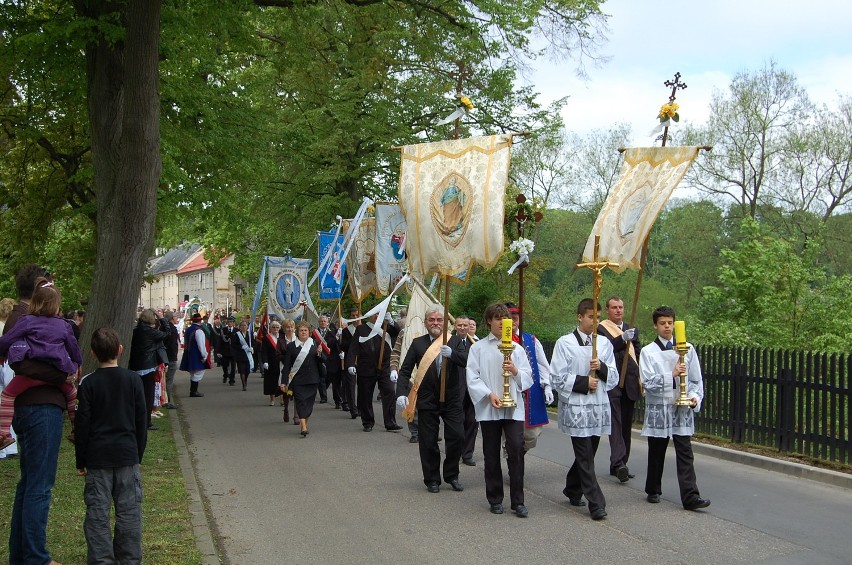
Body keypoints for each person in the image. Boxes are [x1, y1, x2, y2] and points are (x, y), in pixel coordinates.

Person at [6, 264, 68, 565]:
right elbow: (21, 365)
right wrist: (60, 376)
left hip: (38, 405)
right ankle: (35, 558)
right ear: (40, 286)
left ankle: (23, 554)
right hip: (39, 407)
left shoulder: (30, 318)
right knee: (40, 486)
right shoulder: (23, 319)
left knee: (30, 483)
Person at [75, 326, 147, 565]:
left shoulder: (88, 384)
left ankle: (101, 560)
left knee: (97, 512)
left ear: (93, 354)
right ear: (120, 349)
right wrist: (138, 452)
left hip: (98, 455)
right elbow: (140, 420)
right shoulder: (133, 380)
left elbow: (82, 425)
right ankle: (129, 558)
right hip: (126, 453)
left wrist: (81, 459)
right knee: (129, 512)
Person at [550, 298, 617, 521]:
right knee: (585, 455)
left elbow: (615, 377)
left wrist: (603, 368)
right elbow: (557, 377)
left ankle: (572, 488)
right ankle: (596, 503)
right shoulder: (565, 343)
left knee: (590, 452)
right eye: (590, 317)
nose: (594, 321)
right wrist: (582, 382)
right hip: (577, 406)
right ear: (580, 317)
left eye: (597, 317)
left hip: (597, 407)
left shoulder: (604, 344)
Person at [640, 306, 710, 511]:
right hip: (660, 407)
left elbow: (696, 380)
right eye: (662, 323)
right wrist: (670, 374)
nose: (667, 327)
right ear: (655, 325)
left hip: (682, 408)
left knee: (685, 450)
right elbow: (647, 383)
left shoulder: (687, 348)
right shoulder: (648, 352)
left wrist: (695, 397)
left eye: (670, 323)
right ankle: (653, 488)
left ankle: (690, 496)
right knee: (657, 449)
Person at [466, 302, 533, 516]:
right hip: (490, 406)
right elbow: (472, 377)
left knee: (516, 450)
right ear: (489, 321)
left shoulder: (518, 349)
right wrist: (488, 393)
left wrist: (514, 370)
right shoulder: (478, 348)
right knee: (491, 453)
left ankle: (518, 501)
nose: (502, 324)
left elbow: (528, 379)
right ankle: (495, 497)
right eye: (497, 319)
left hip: (513, 408)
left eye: (506, 320)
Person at [0, 278, 82, 449]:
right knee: (72, 396)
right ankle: (76, 429)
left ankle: (4, 434)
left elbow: (7, 340)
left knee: (7, 396)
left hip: (31, 376)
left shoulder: (26, 321)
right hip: (59, 376)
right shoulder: (63, 326)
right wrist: (74, 367)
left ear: (34, 302)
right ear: (56, 305)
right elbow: (74, 350)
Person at [395, 303, 467, 493]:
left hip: (451, 399)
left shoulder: (455, 341)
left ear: (445, 323)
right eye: (432, 320)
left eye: (439, 320)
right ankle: (432, 479)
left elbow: (467, 360)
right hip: (427, 399)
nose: (435, 323)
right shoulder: (418, 343)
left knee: (457, 437)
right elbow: (405, 371)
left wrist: (453, 355)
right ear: (426, 323)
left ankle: (452, 475)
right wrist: (402, 393)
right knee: (428, 441)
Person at [598, 295, 642, 482]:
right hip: (612, 382)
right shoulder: (602, 329)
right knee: (615, 423)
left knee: (625, 426)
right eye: (614, 307)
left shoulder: (632, 329)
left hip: (630, 383)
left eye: (621, 307)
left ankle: (621, 463)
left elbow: (637, 353)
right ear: (607, 310)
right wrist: (621, 339)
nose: (618, 310)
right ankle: (618, 464)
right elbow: (604, 350)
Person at [506, 302, 554, 455]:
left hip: (529, 392)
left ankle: (519, 453)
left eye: (515, 318)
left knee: (531, 434)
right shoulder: (496, 341)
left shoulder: (531, 340)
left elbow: (542, 365)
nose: (513, 322)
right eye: (509, 318)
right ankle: (512, 456)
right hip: (506, 392)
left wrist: (547, 386)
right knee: (508, 433)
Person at [346, 312, 401, 432]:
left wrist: (391, 321)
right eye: (375, 314)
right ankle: (368, 422)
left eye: (379, 314)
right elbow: (353, 348)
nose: (377, 316)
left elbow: (397, 331)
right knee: (365, 395)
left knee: (390, 392)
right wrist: (350, 364)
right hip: (366, 367)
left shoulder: (386, 326)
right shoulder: (361, 329)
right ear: (370, 316)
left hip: (385, 366)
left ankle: (390, 422)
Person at [128, 309, 170, 431]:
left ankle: (136, 420)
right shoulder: (150, 332)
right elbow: (167, 333)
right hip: (147, 366)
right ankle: (146, 422)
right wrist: (162, 319)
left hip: (136, 365)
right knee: (148, 396)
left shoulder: (136, 331)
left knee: (136, 395)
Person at [280, 321, 323, 437]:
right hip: (298, 380)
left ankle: (304, 423)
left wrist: (320, 353)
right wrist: (283, 382)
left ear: (309, 332)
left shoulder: (314, 344)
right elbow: (287, 366)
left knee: (309, 404)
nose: (303, 332)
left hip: (312, 379)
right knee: (300, 402)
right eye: (301, 330)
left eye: (305, 330)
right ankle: (303, 427)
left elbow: (322, 361)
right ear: (297, 332)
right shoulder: (291, 346)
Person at [389, 308, 418, 443]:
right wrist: (394, 368)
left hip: (426, 374)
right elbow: (396, 352)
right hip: (409, 372)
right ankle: (414, 432)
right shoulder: (403, 332)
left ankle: (429, 430)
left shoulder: (430, 331)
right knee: (410, 404)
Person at [454, 315, 479, 465]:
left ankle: (467, 453)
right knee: (457, 422)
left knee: (472, 421)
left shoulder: (476, 344)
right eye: (461, 325)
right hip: (456, 388)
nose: (464, 328)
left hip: (473, 388)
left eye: (467, 325)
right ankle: (455, 451)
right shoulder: (450, 341)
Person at [179, 312, 210, 397]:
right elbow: (201, 345)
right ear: (200, 321)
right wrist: (204, 355)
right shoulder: (198, 331)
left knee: (193, 372)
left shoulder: (188, 329)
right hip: (196, 354)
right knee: (199, 371)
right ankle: (193, 391)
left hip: (188, 352)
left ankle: (193, 391)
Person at [338, 307, 361, 418]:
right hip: (350, 361)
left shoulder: (365, 329)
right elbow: (343, 346)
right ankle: (353, 409)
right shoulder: (347, 330)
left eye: (357, 315)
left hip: (363, 362)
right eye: (353, 316)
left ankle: (361, 408)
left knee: (363, 386)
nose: (355, 318)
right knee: (350, 386)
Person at [316, 314, 341, 408]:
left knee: (332, 380)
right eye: (321, 321)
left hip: (331, 358)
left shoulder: (332, 332)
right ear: (319, 323)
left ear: (327, 323)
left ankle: (336, 400)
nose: (323, 323)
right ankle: (323, 397)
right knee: (322, 378)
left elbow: (335, 344)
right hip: (319, 357)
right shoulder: (315, 333)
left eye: (324, 321)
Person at [260, 320, 284, 406]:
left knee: (281, 381)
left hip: (281, 362)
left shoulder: (282, 337)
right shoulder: (267, 338)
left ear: (280, 328)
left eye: (277, 327)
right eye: (273, 327)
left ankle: (282, 399)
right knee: (271, 381)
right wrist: (265, 361)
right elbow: (264, 351)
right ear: (270, 328)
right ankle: (272, 399)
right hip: (271, 362)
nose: (275, 329)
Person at [162, 311, 180, 409]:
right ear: (171, 318)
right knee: (168, 380)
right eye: (175, 317)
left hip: (166, 357)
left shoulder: (164, 327)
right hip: (170, 358)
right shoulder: (171, 329)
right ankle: (167, 400)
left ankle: (165, 399)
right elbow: (171, 345)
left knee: (165, 380)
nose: (177, 318)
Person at [233, 320, 254, 391]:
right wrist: (241, 347)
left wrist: (252, 348)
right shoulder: (237, 334)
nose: (243, 327)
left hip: (248, 355)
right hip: (240, 355)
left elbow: (253, 343)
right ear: (240, 327)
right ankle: (244, 385)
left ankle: (245, 380)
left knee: (247, 371)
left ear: (247, 326)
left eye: (245, 325)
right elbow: (234, 344)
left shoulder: (250, 334)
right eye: (242, 325)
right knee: (241, 370)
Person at [219, 316, 237, 385]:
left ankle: (232, 380)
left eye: (231, 322)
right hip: (225, 351)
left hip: (233, 351)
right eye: (229, 322)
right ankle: (225, 375)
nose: (230, 323)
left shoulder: (236, 330)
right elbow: (220, 341)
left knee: (233, 366)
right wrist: (219, 351)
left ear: (233, 323)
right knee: (225, 365)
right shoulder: (223, 330)